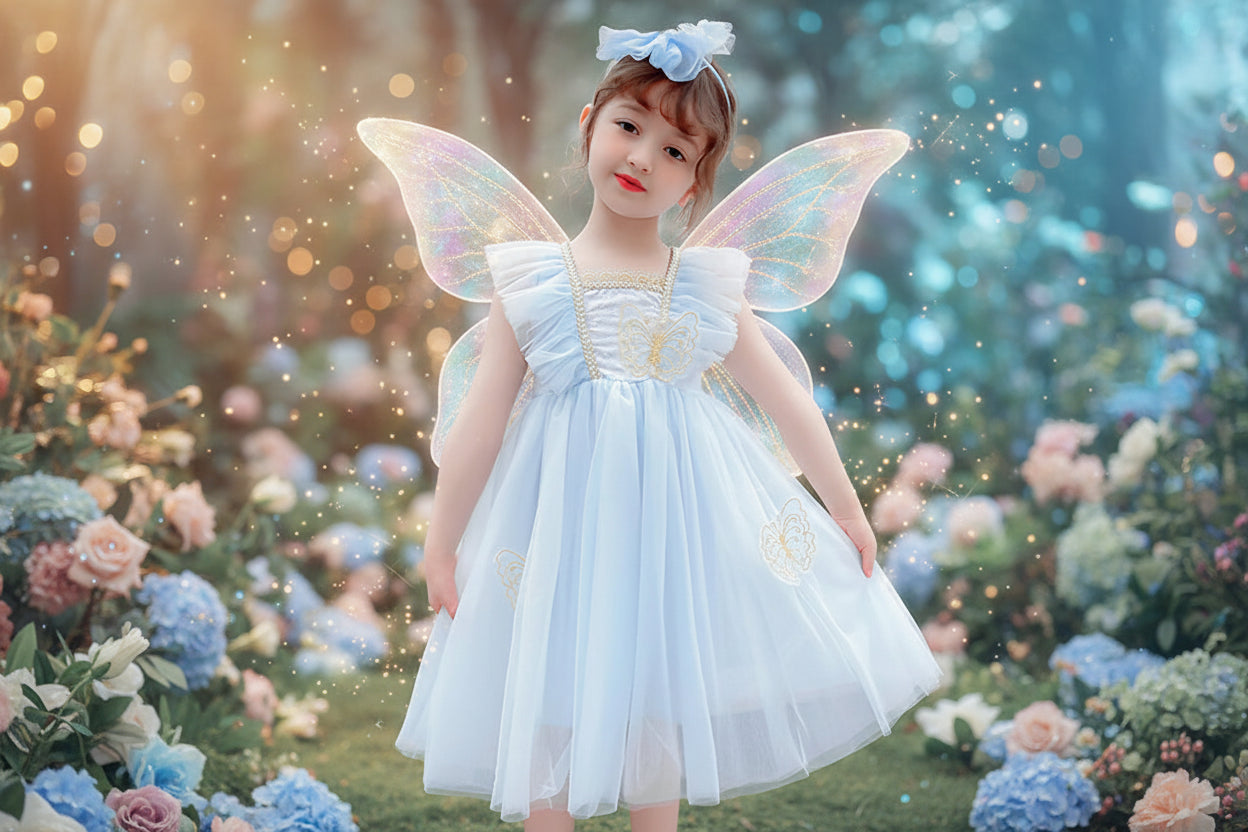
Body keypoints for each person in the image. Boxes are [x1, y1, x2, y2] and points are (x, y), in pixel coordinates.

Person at [364, 19, 941, 832]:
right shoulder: (531, 280)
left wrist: (845, 508)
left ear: (697, 183)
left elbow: (785, 400)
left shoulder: (704, 284)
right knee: (548, 677)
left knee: (660, 683)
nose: (642, 158)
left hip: (672, 520)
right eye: (629, 127)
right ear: (589, 128)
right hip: (558, 514)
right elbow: (484, 420)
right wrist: (441, 541)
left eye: (675, 151)